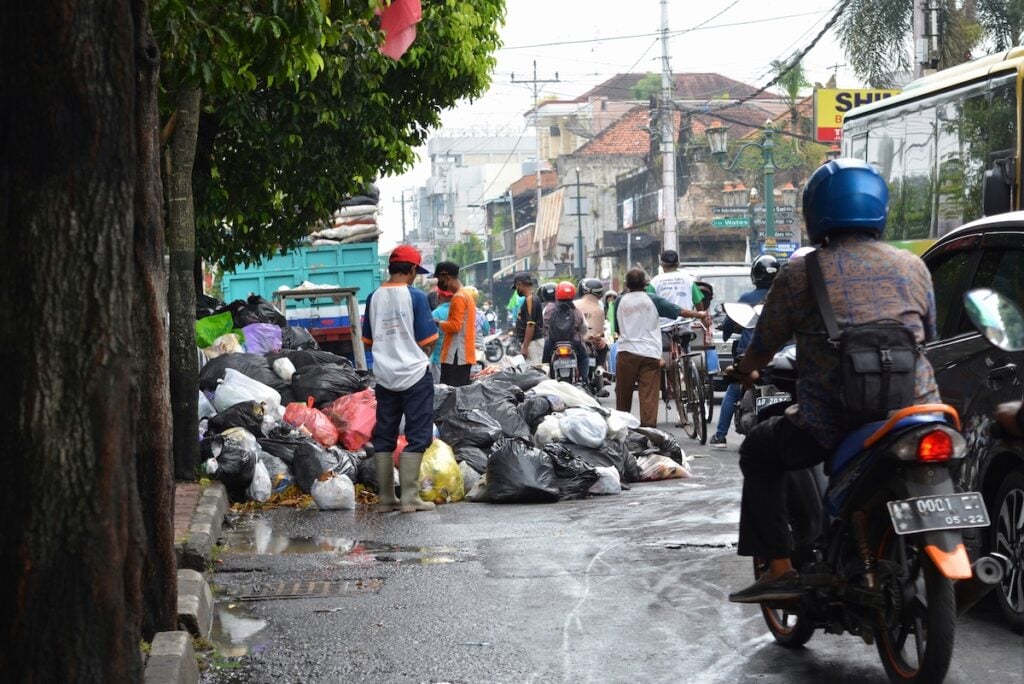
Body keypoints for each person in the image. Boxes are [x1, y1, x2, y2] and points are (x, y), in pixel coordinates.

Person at [725, 159, 940, 603]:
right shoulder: (913, 266)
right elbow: (929, 335)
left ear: (815, 212)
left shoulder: (800, 273)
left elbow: (764, 346)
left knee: (760, 450)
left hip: (834, 420)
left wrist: (745, 369)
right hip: (915, 412)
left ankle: (779, 569)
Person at [362, 245, 438, 513]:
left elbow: (369, 341)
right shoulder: (416, 297)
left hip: (384, 376)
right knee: (417, 434)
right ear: (413, 269)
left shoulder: (373, 297)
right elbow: (428, 340)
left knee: (385, 433)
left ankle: (385, 498)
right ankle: (410, 498)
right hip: (415, 375)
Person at [616, 268, 708, 427]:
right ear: (645, 283)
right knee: (649, 395)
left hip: (626, 353)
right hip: (649, 354)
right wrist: (699, 315)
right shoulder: (653, 300)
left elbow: (617, 328)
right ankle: (649, 429)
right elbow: (678, 311)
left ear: (627, 284)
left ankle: (621, 427)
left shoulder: (619, 301)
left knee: (623, 395)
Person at [709, 255, 779, 450]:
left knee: (732, 392)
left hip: (751, 353)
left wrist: (726, 332)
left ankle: (721, 436)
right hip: (780, 355)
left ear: (755, 275)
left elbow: (730, 324)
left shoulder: (747, 299)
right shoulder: (783, 296)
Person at [432, 261, 476, 386]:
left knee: (450, 396)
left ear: (447, 277)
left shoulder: (458, 297)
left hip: (456, 355)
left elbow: (455, 326)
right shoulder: (466, 294)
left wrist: (438, 323)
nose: (439, 283)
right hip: (463, 354)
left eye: (440, 279)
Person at [543, 281, 588, 381]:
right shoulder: (577, 311)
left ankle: (544, 380)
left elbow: (543, 324)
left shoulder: (548, 309)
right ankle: (584, 381)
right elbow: (584, 328)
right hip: (573, 342)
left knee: (544, 360)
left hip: (552, 341)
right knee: (584, 357)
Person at [575, 278, 610, 395]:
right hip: (591, 342)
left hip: (574, 340)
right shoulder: (599, 309)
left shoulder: (573, 305)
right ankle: (600, 369)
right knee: (604, 347)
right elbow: (599, 333)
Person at [513, 272, 545, 365]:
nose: (517, 290)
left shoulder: (530, 299)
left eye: (516, 287)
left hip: (533, 343)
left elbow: (530, 324)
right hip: (532, 342)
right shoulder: (531, 298)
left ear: (519, 284)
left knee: (535, 371)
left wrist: (525, 348)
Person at [429, 289, 454, 383]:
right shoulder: (458, 312)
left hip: (438, 358)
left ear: (439, 297)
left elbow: (433, 339)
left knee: (439, 389)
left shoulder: (436, 313)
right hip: (455, 359)